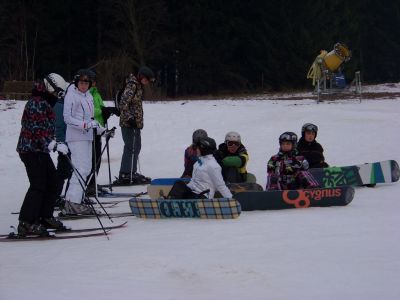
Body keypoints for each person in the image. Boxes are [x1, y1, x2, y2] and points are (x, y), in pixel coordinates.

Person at [16, 79, 69, 236]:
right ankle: (26, 222)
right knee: (38, 185)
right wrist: (52, 144)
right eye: (57, 90)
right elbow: (36, 129)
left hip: (40, 150)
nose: (58, 94)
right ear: (49, 87)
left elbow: (45, 129)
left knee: (52, 182)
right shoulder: (36, 102)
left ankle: (44, 216)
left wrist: (55, 143)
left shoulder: (45, 101)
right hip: (30, 149)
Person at [63, 69, 105, 215]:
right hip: (76, 137)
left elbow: (91, 119)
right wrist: (85, 125)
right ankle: (72, 203)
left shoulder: (88, 97)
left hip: (87, 137)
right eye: (81, 82)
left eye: (86, 83)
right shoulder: (71, 95)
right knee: (80, 169)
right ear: (76, 82)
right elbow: (67, 118)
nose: (83, 85)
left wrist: (102, 130)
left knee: (86, 169)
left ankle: (76, 200)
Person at [113, 66, 155, 185]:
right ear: (141, 76)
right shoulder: (132, 85)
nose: (147, 83)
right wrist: (129, 118)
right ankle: (125, 173)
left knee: (136, 146)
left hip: (135, 124)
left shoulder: (138, 86)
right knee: (130, 147)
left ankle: (131, 171)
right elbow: (123, 103)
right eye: (147, 80)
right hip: (128, 123)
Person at [168, 137, 233, 199]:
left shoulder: (213, 166)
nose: (196, 150)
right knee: (179, 184)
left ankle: (171, 203)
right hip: (194, 193)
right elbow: (193, 182)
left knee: (180, 187)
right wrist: (184, 189)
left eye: (198, 148)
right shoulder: (198, 163)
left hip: (203, 196)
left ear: (204, 150)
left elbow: (220, 185)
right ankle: (170, 201)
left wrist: (231, 199)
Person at [44, 73, 72, 207]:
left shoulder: (60, 103)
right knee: (63, 170)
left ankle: (57, 195)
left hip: (66, 141)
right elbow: (61, 125)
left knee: (65, 170)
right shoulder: (58, 105)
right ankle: (54, 196)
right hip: (63, 142)